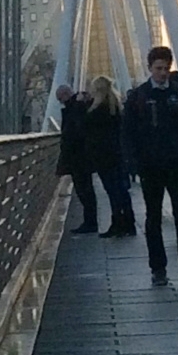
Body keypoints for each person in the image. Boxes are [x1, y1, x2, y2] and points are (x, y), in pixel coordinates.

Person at [121, 45, 178, 288]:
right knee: (153, 216)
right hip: (151, 166)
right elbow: (127, 133)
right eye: (158, 69)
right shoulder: (138, 98)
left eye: (166, 69)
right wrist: (132, 162)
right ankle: (158, 268)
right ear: (150, 68)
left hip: (177, 164)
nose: (163, 73)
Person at [83, 76, 134, 238]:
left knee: (112, 190)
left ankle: (118, 222)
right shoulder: (116, 108)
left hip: (103, 156)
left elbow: (85, 127)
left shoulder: (97, 110)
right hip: (118, 154)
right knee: (121, 190)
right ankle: (128, 222)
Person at [54, 84, 100, 234]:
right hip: (81, 157)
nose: (61, 102)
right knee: (86, 190)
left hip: (79, 158)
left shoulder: (76, 107)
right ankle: (90, 221)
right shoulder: (78, 105)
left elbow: (76, 131)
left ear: (66, 94)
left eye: (61, 99)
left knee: (84, 190)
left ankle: (90, 222)